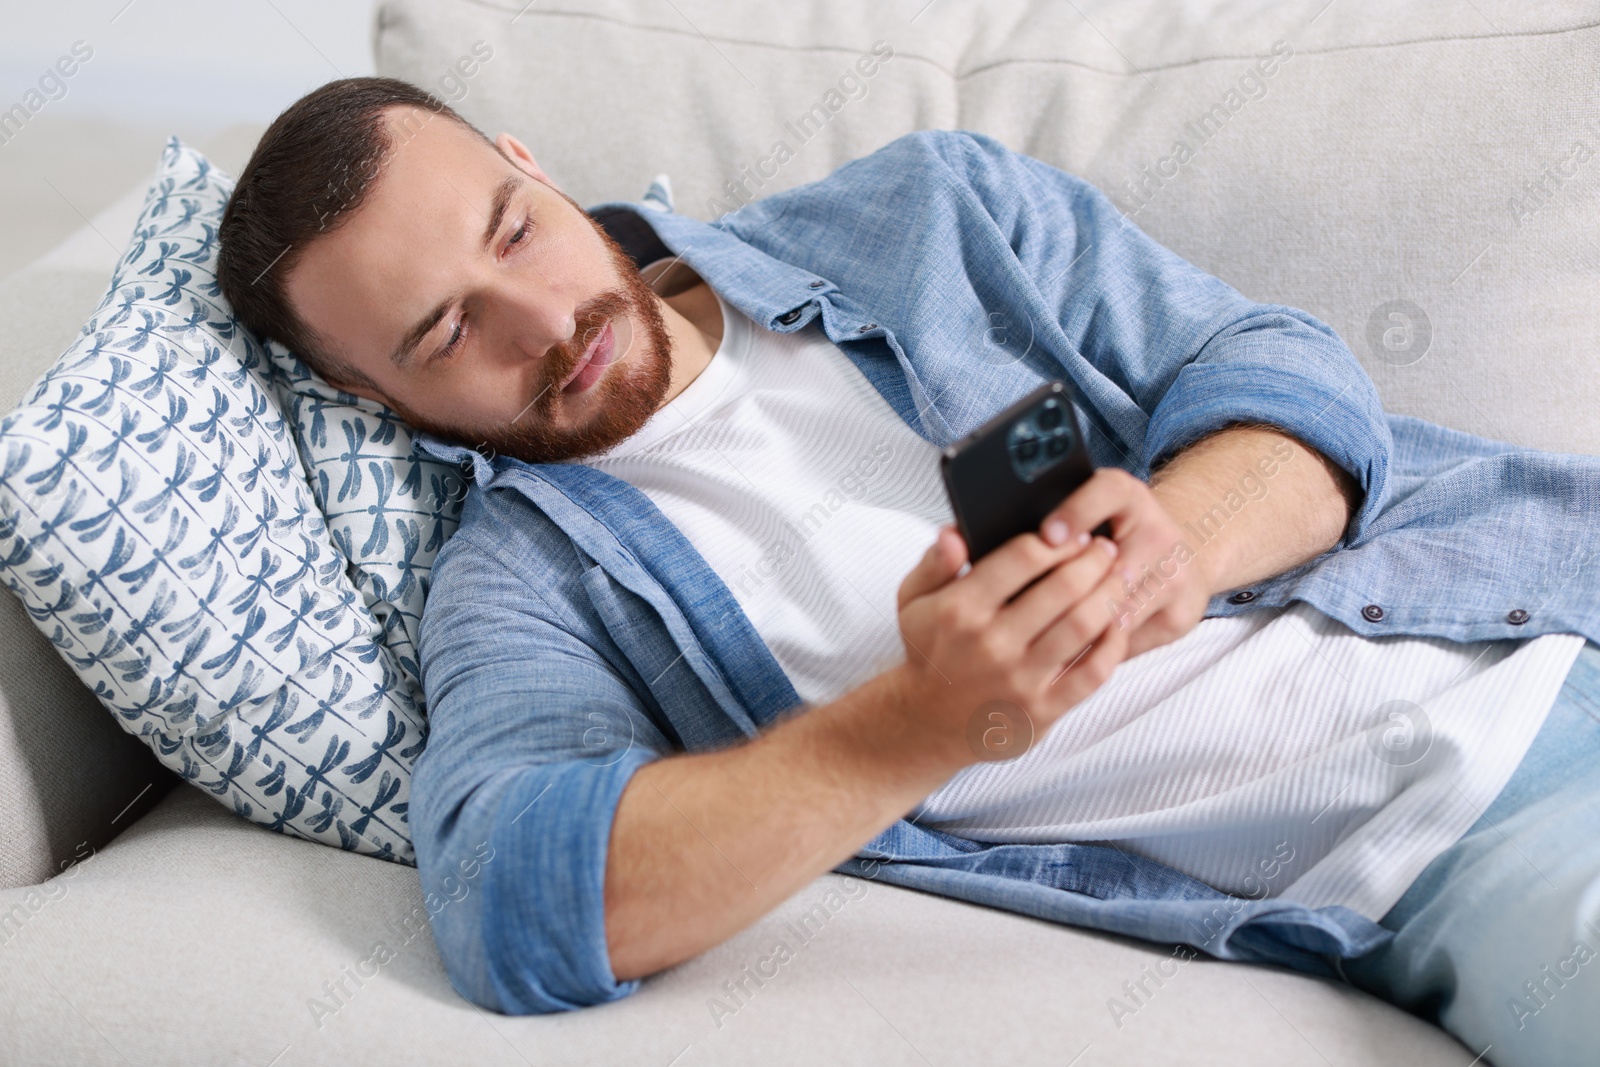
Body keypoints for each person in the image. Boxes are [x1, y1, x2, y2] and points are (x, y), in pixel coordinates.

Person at [217, 77, 1600, 1064]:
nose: (543, 320)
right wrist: (927, 724)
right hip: (1470, 834)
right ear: (376, 400)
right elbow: (516, 901)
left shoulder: (927, 215)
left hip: (1536, 593)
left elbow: (1275, 367)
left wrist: (1177, 539)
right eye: (447, 332)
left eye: (514, 227)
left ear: (528, 158)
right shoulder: (526, 586)